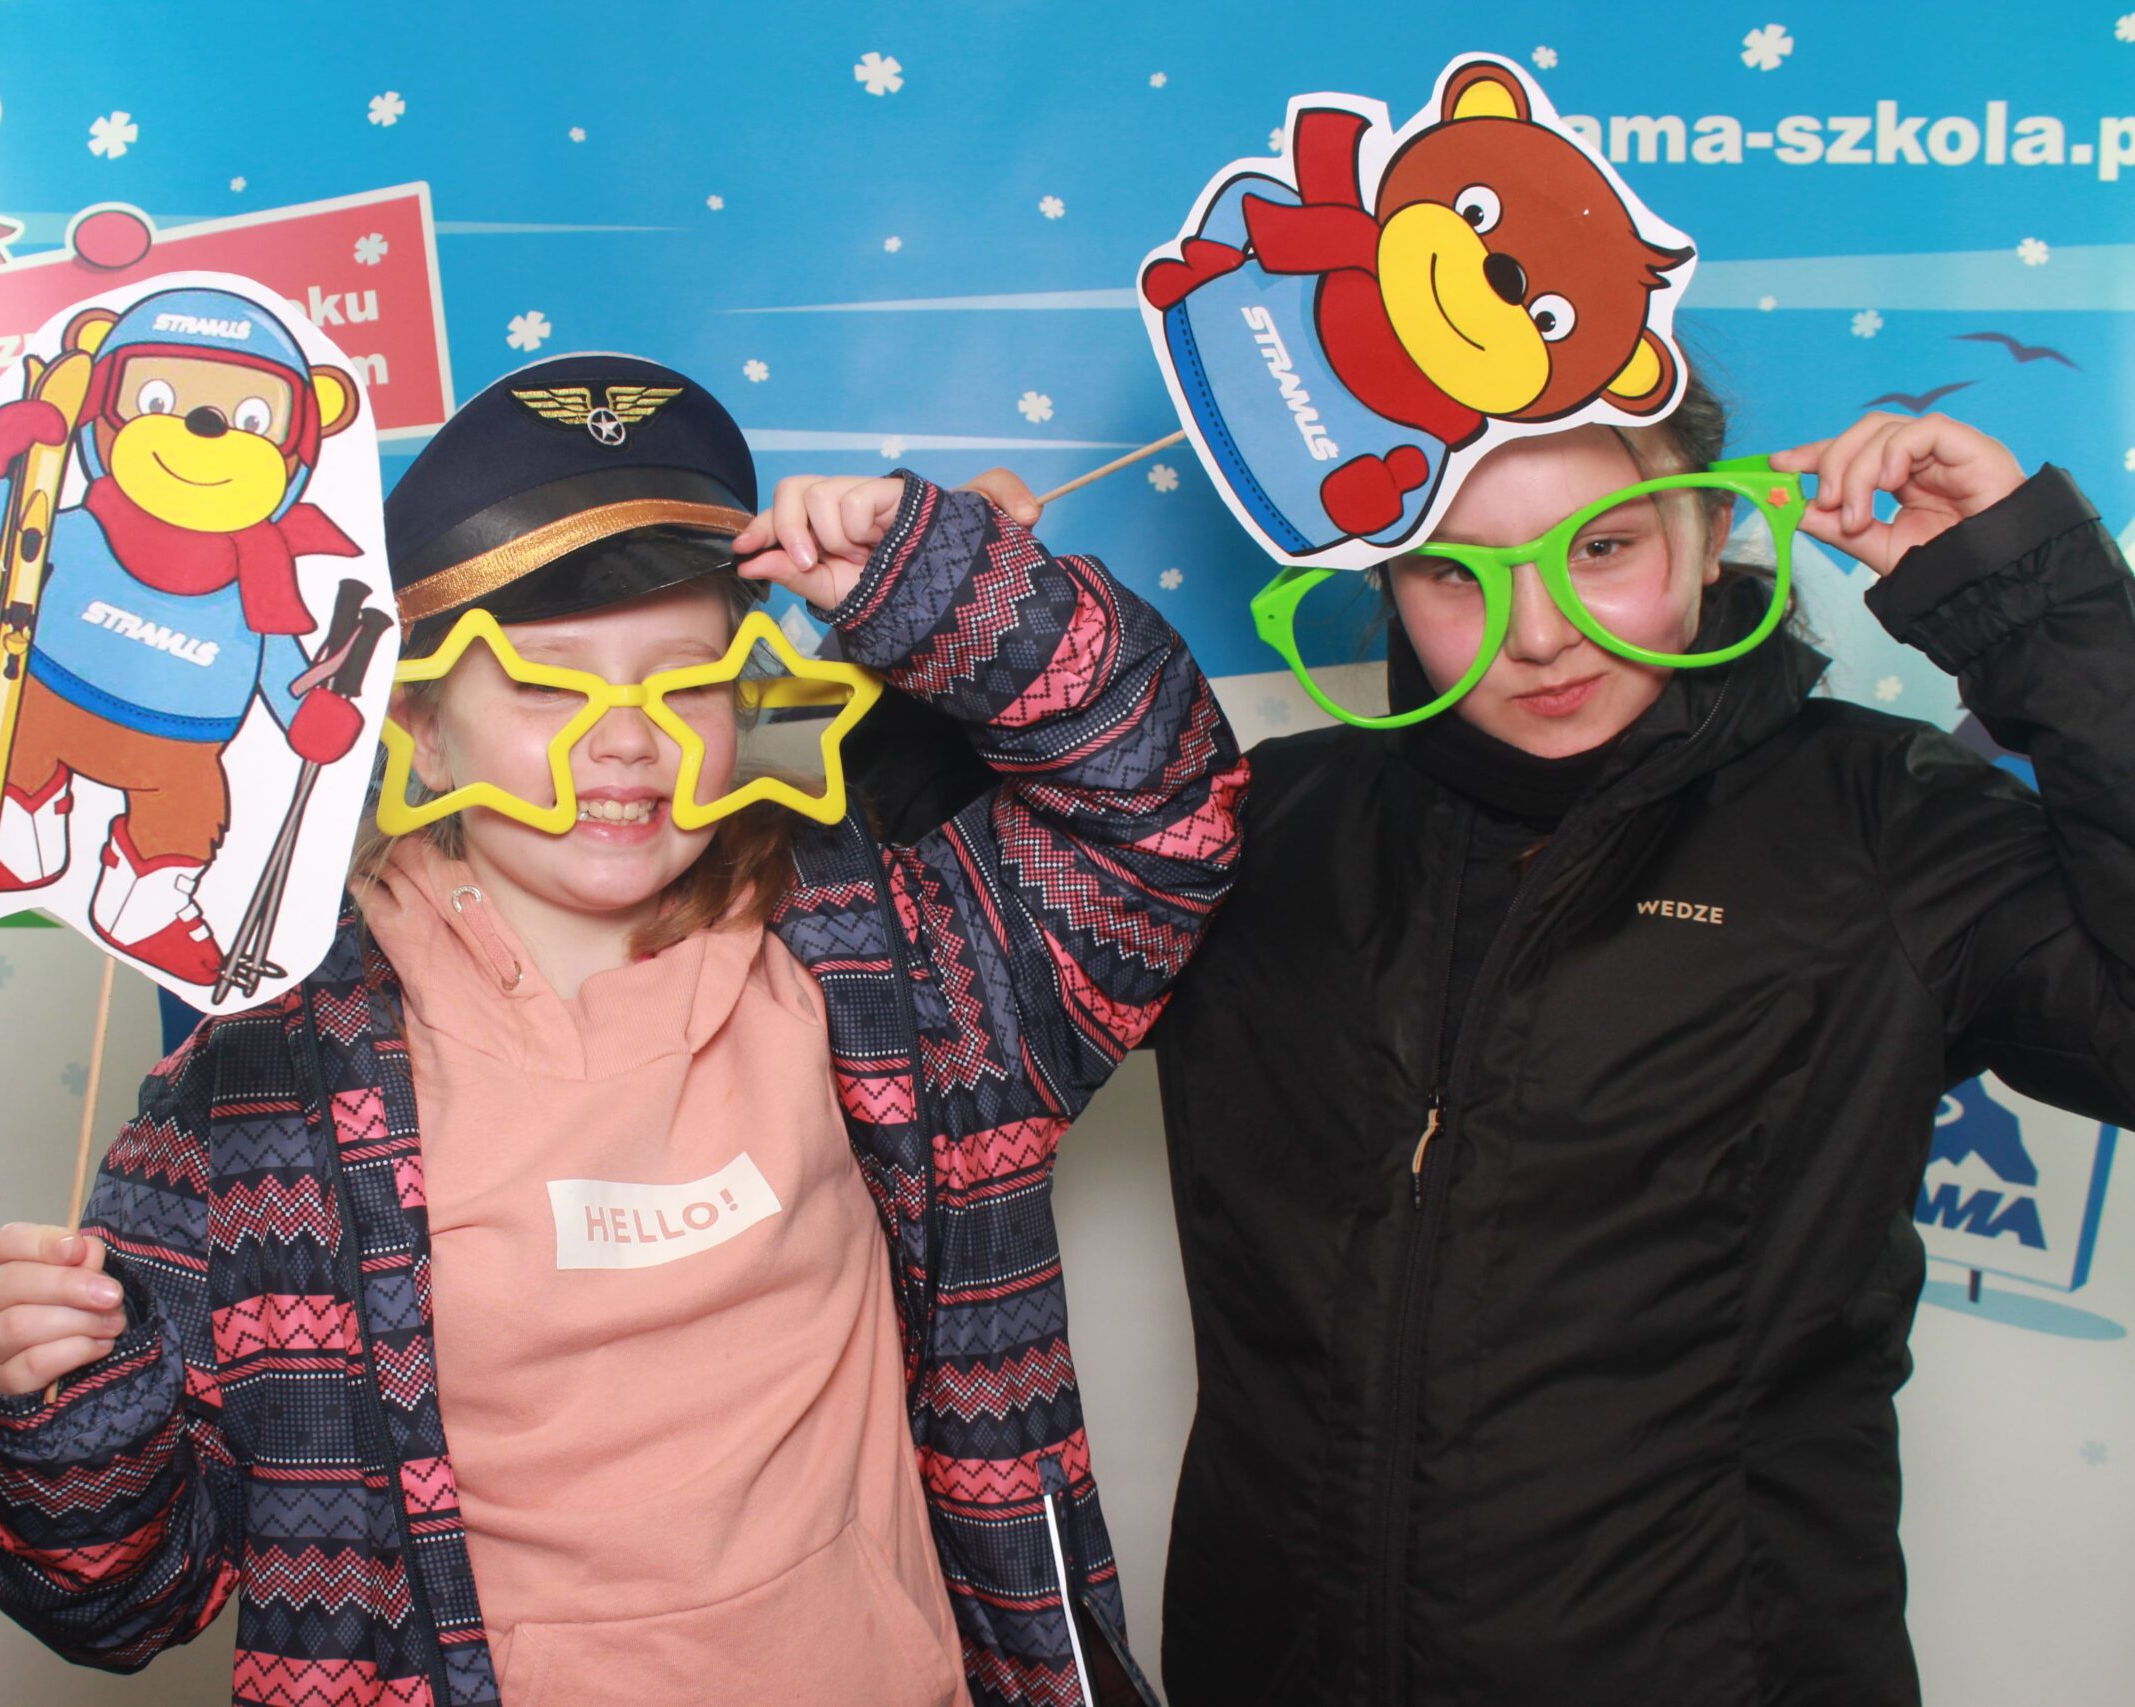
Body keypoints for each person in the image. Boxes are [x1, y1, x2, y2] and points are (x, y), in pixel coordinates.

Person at [0, 354, 1244, 1707]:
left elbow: (1167, 822)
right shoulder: (256, 1103)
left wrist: (952, 592)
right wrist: (54, 1406)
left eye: (682, 681)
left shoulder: (898, 978)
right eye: (549, 687)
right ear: (423, 731)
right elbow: (127, 1600)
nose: (624, 741)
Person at [863, 387, 2135, 1705]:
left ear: (1709, 533)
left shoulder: (1883, 826)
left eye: (1604, 547)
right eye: (1455, 573)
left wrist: (2031, 603)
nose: (1538, 634)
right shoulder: (1266, 831)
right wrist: (951, 644)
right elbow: (930, 990)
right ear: (1384, 578)